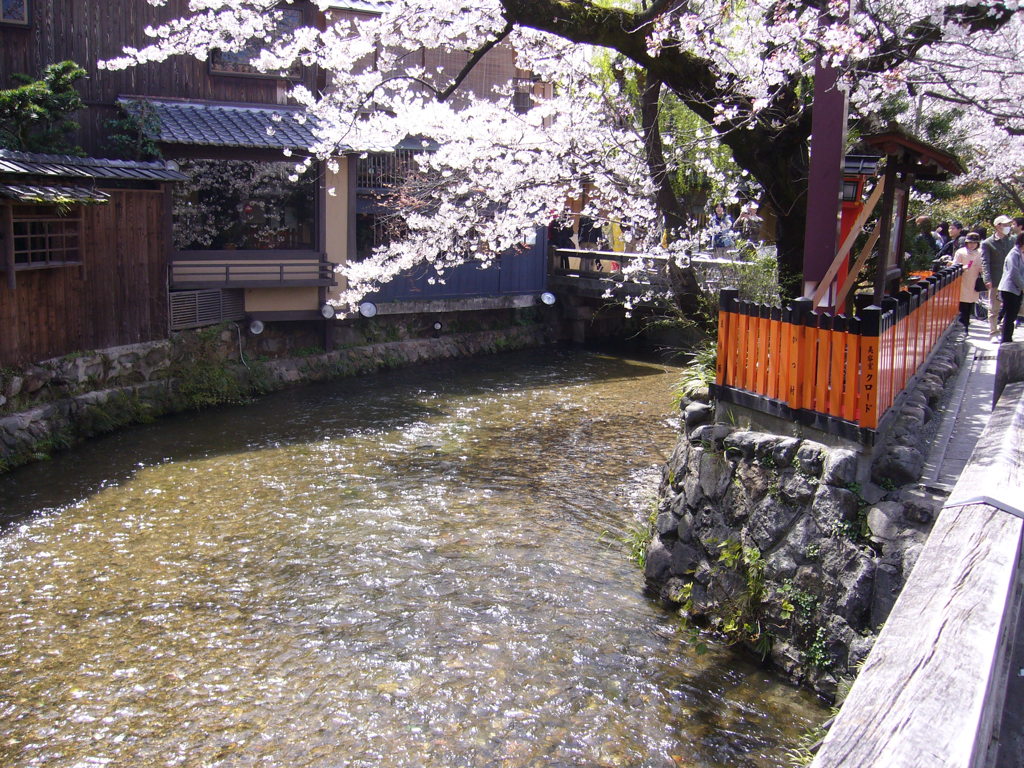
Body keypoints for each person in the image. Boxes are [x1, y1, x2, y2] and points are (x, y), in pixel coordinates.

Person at [981, 215, 1014, 339]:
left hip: (1011, 279)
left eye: (1008, 225)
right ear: (997, 226)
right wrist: (987, 278)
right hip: (996, 279)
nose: (1008, 227)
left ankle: (1004, 330)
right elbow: (985, 262)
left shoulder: (1012, 240)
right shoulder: (988, 243)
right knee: (994, 307)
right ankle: (993, 332)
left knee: (1010, 307)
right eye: (1005, 225)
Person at [952, 232, 985, 329]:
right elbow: (954, 266)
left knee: (971, 304)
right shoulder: (961, 252)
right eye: (970, 243)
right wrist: (963, 267)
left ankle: (966, 324)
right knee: (963, 305)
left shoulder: (980, 253)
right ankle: (963, 326)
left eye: (974, 243)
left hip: (974, 282)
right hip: (962, 281)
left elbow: (983, 265)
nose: (972, 245)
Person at [998, 232, 1024, 343]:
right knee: (1009, 316)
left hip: (1016, 289)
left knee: (1012, 315)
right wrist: (1023, 286)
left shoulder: (1020, 253)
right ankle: (1006, 339)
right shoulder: (1014, 253)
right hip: (1010, 289)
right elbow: (1014, 273)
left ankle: (1008, 338)